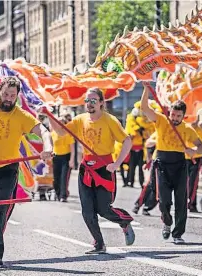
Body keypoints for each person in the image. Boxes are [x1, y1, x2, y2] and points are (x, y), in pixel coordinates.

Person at [0, 76, 52, 265]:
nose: (8, 98)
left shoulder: (21, 115)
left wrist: (46, 148)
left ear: (17, 96)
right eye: (6, 94)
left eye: (12, 95)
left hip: (8, 169)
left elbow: (43, 131)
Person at [48, 87, 135, 254]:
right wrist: (49, 115)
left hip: (105, 167)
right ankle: (99, 243)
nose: (89, 104)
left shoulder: (110, 120)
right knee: (87, 210)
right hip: (86, 168)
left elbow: (127, 141)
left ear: (101, 103)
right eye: (87, 101)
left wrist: (116, 164)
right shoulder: (80, 119)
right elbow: (60, 131)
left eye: (93, 101)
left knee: (103, 209)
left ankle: (124, 221)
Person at [140, 84, 202, 243]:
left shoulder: (188, 129)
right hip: (161, 164)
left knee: (181, 201)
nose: (175, 118)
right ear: (170, 113)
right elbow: (144, 108)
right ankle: (167, 223)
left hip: (180, 165)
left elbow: (201, 147)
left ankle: (177, 234)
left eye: (178, 116)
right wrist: (146, 89)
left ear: (183, 116)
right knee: (164, 199)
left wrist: (194, 151)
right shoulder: (161, 120)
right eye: (173, 115)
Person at [133, 132, 159, 216]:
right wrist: (149, 161)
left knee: (160, 188)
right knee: (149, 185)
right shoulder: (160, 130)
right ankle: (138, 205)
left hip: (173, 164)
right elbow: (148, 144)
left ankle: (147, 207)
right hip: (157, 162)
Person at [185, 120, 202, 213]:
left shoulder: (199, 131)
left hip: (196, 159)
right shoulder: (185, 128)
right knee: (183, 183)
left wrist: (194, 150)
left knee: (193, 183)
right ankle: (184, 202)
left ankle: (191, 204)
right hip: (184, 158)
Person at [51, 115, 75, 202]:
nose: (59, 123)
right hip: (56, 157)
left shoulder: (67, 133)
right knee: (56, 178)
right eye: (58, 122)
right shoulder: (53, 133)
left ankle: (63, 196)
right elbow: (51, 146)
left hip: (66, 157)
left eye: (61, 122)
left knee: (64, 178)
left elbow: (72, 147)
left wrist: (72, 160)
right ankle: (58, 194)